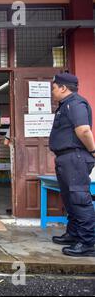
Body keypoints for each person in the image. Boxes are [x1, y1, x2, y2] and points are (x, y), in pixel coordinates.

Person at [49, 72, 95, 257]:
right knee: (69, 200)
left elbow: (84, 130)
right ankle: (74, 234)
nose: (52, 92)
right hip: (66, 158)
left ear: (63, 88)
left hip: (74, 158)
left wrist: (92, 151)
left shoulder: (76, 103)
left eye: (53, 88)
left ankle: (87, 243)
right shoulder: (65, 105)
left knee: (79, 200)